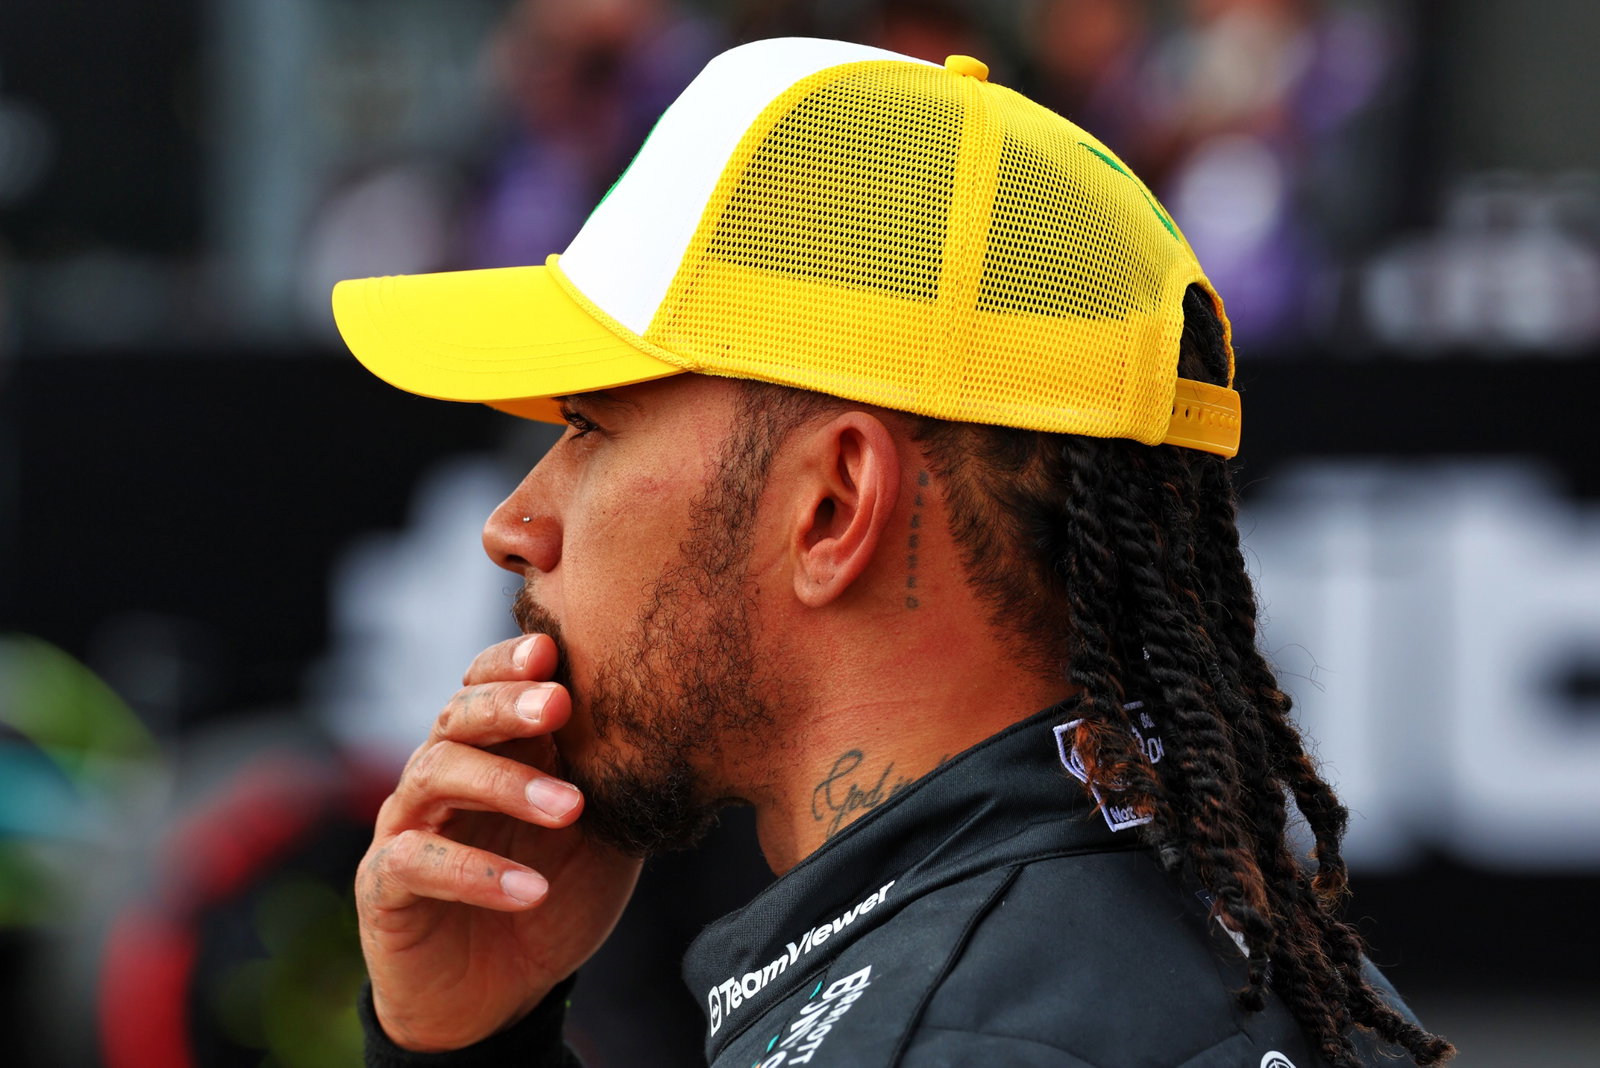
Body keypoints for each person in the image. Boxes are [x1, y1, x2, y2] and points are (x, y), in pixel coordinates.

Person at [331, 37, 1453, 1067]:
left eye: (589, 429)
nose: (513, 526)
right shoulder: (1228, 944)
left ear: (832, 504)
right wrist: (467, 1046)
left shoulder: (938, 1033)